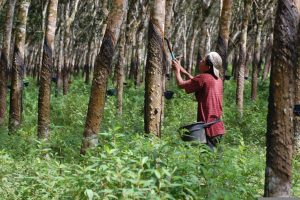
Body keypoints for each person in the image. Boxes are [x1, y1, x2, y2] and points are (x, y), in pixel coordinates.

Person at [172, 52, 225, 149]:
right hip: (218, 128)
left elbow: (180, 84)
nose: (200, 61)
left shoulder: (203, 78)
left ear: (208, 67)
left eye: (203, 61)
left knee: (206, 161)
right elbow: (198, 82)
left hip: (208, 129)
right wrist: (183, 71)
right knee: (215, 160)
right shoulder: (218, 80)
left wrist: (176, 71)